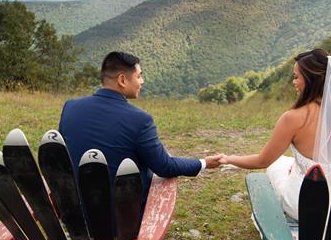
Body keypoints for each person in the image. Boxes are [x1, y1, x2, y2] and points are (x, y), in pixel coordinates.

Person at [218, 48, 331, 219]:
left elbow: (262, 161)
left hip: (305, 205)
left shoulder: (293, 118)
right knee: (287, 163)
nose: (294, 82)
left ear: (311, 79)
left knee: (275, 165)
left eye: (296, 77)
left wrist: (228, 159)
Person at [59, 51, 222, 204]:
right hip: (122, 218)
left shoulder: (70, 107)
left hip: (78, 212)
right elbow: (164, 167)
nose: (142, 81)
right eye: (139, 76)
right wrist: (204, 163)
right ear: (122, 80)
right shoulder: (139, 119)